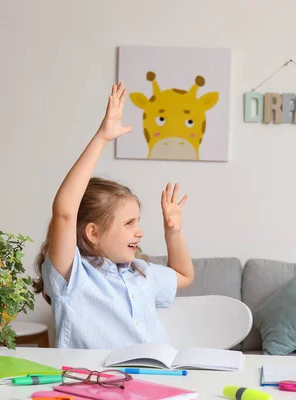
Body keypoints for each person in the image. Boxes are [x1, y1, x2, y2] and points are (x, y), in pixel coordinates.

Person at [32, 82, 194, 349]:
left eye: (138, 221)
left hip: (155, 379)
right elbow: (64, 212)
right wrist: (102, 138)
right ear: (93, 232)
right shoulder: (73, 277)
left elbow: (183, 276)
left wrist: (173, 234)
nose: (139, 232)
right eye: (129, 223)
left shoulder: (140, 273)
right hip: (95, 384)